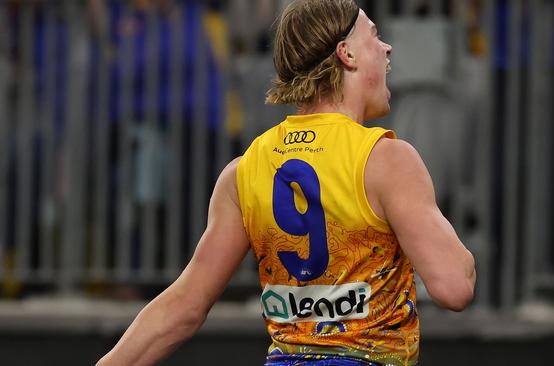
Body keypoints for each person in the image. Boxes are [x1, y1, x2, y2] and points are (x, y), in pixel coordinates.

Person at [96, 0, 476, 365]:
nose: (387, 47)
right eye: (374, 36)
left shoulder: (243, 171)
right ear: (347, 53)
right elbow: (454, 287)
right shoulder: (386, 159)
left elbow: (183, 308)